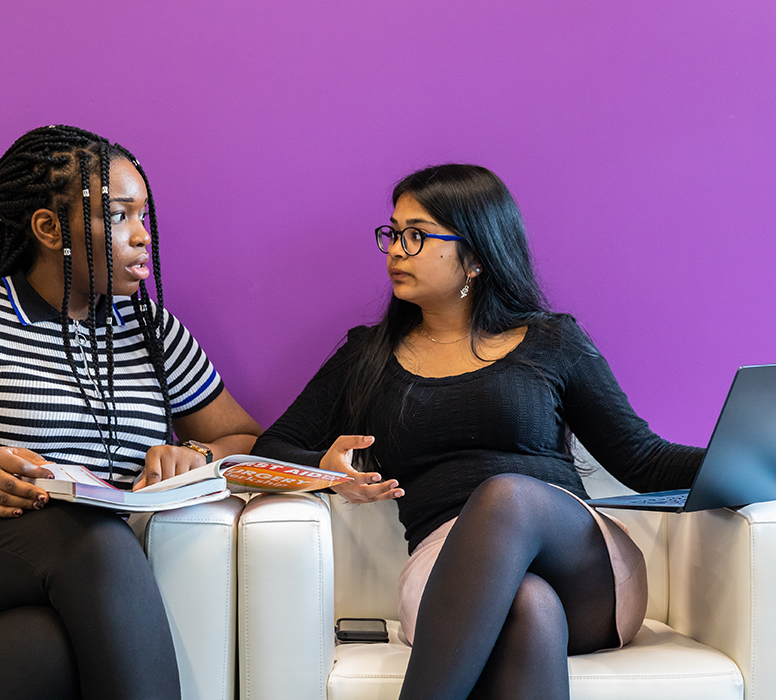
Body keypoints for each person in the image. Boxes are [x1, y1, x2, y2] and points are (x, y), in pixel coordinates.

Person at [0, 125, 263, 700]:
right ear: (48, 228)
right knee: (94, 536)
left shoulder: (154, 334)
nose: (142, 237)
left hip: (56, 589)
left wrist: (196, 454)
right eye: (117, 217)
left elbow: (244, 437)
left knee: (34, 652)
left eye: (144, 217)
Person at [251, 164, 703, 700]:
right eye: (393, 233)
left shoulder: (552, 341)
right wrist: (324, 474)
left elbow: (642, 460)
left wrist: (748, 458)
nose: (395, 249)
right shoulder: (365, 357)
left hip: (581, 564)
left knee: (506, 495)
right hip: (443, 574)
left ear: (475, 256)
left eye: (416, 236)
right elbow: (270, 449)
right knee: (529, 607)